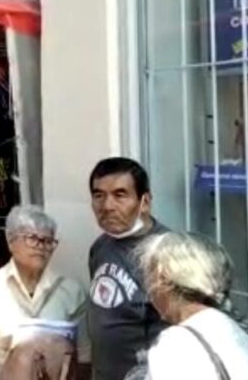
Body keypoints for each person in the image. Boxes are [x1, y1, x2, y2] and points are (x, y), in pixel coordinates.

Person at [0, 205, 89, 380]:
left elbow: (85, 357)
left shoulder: (72, 292)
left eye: (47, 241)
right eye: (32, 238)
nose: (40, 246)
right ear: (10, 241)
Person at [131, 231, 248, 379]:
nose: (148, 290)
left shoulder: (178, 343)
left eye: (148, 277)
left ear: (162, 279)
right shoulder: (234, 328)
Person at [86, 157, 169, 380]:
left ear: (145, 202)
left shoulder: (167, 254)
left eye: (120, 195)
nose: (107, 206)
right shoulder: (101, 247)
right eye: (98, 195)